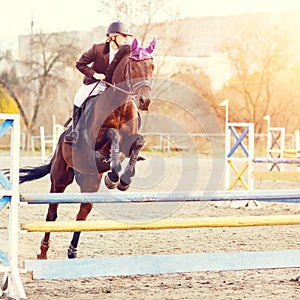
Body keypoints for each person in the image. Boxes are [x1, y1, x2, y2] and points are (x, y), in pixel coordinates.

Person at [65, 21, 132, 144]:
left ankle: (130, 138)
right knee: (79, 98)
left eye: (127, 36)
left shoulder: (126, 53)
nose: (126, 38)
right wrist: (95, 75)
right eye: (123, 35)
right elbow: (80, 64)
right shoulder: (98, 49)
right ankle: (75, 131)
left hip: (114, 87)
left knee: (131, 105)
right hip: (95, 84)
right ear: (113, 36)